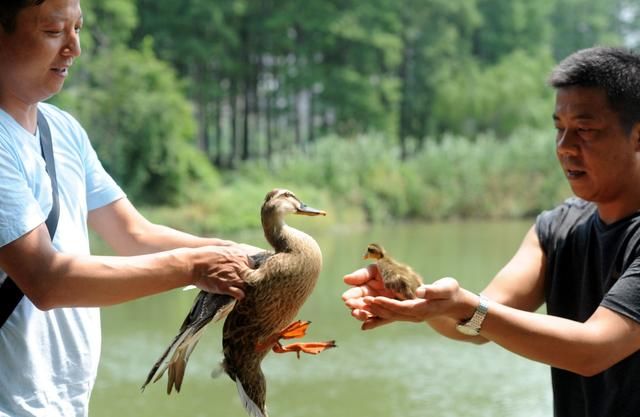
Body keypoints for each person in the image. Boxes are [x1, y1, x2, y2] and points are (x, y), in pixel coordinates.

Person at [343, 46, 640, 417]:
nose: (565, 148)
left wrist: (468, 306)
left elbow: (592, 350)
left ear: (637, 136)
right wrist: (412, 296)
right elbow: (477, 327)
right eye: (559, 129)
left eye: (585, 130)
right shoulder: (556, 228)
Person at [0, 1, 258, 416]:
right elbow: (44, 280)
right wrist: (194, 266)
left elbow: (134, 235)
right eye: (53, 31)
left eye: (78, 29)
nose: (74, 48)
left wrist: (249, 259)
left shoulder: (62, 129)